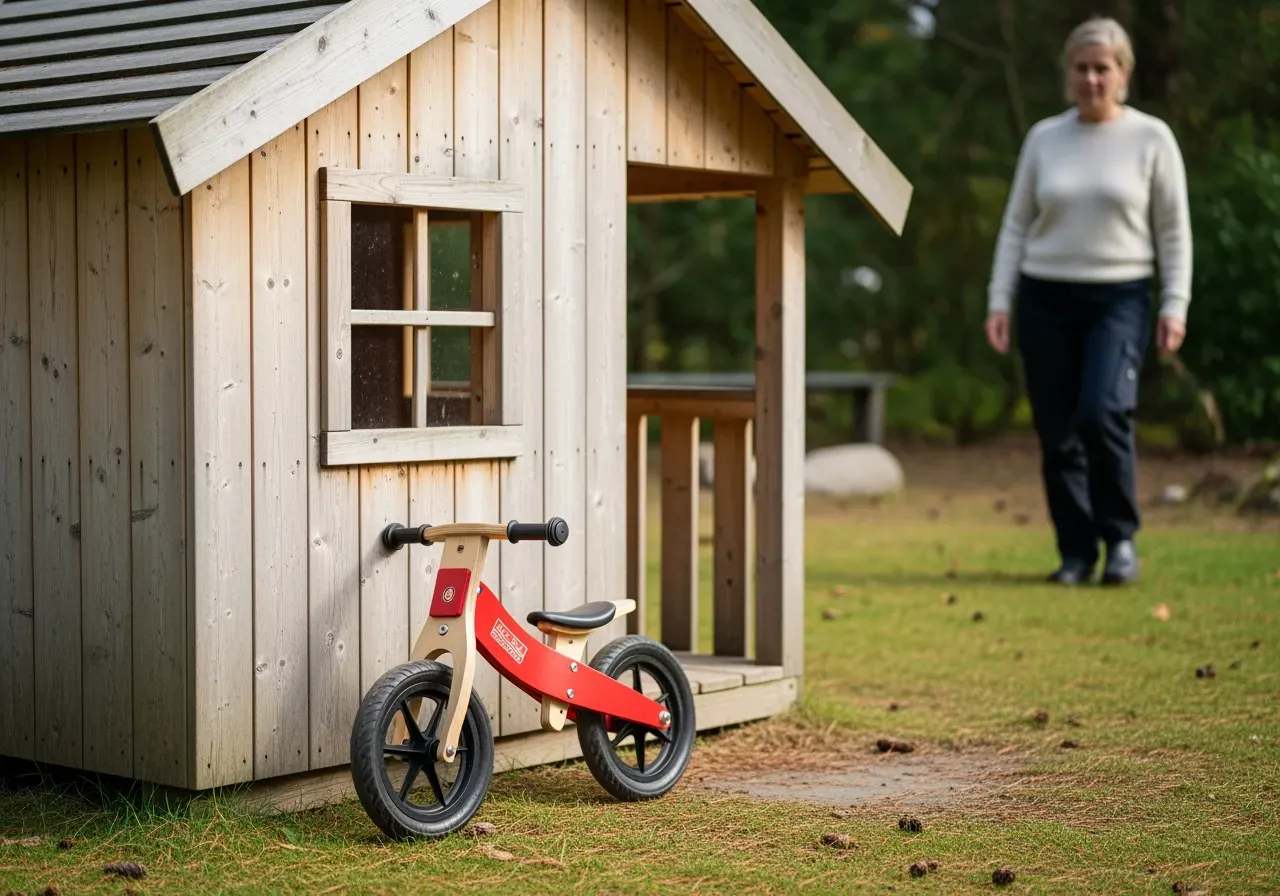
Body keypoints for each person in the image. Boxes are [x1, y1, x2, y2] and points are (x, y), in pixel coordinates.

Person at [984, 17, 1192, 585]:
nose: (1092, 79)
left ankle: (1120, 540)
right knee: (1057, 433)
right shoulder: (1044, 139)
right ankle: (1076, 553)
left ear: (1123, 73)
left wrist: (1174, 305)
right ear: (1068, 74)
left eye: (1103, 68)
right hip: (1045, 296)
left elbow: (1174, 231)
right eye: (1082, 68)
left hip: (1119, 298)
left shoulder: (1152, 138)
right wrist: (999, 300)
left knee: (1102, 413)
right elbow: (1015, 225)